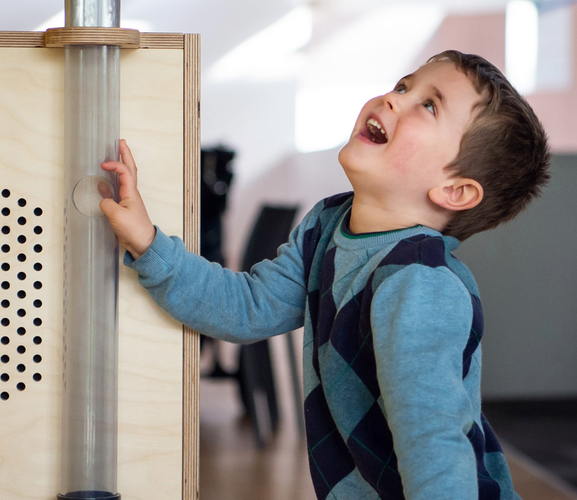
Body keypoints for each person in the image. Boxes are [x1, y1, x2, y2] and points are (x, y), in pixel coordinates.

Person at [100, 50, 550, 499]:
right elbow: (248, 307)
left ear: (453, 190)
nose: (394, 100)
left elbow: (434, 442)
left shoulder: (421, 282)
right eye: (402, 86)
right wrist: (147, 242)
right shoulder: (326, 226)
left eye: (428, 106)